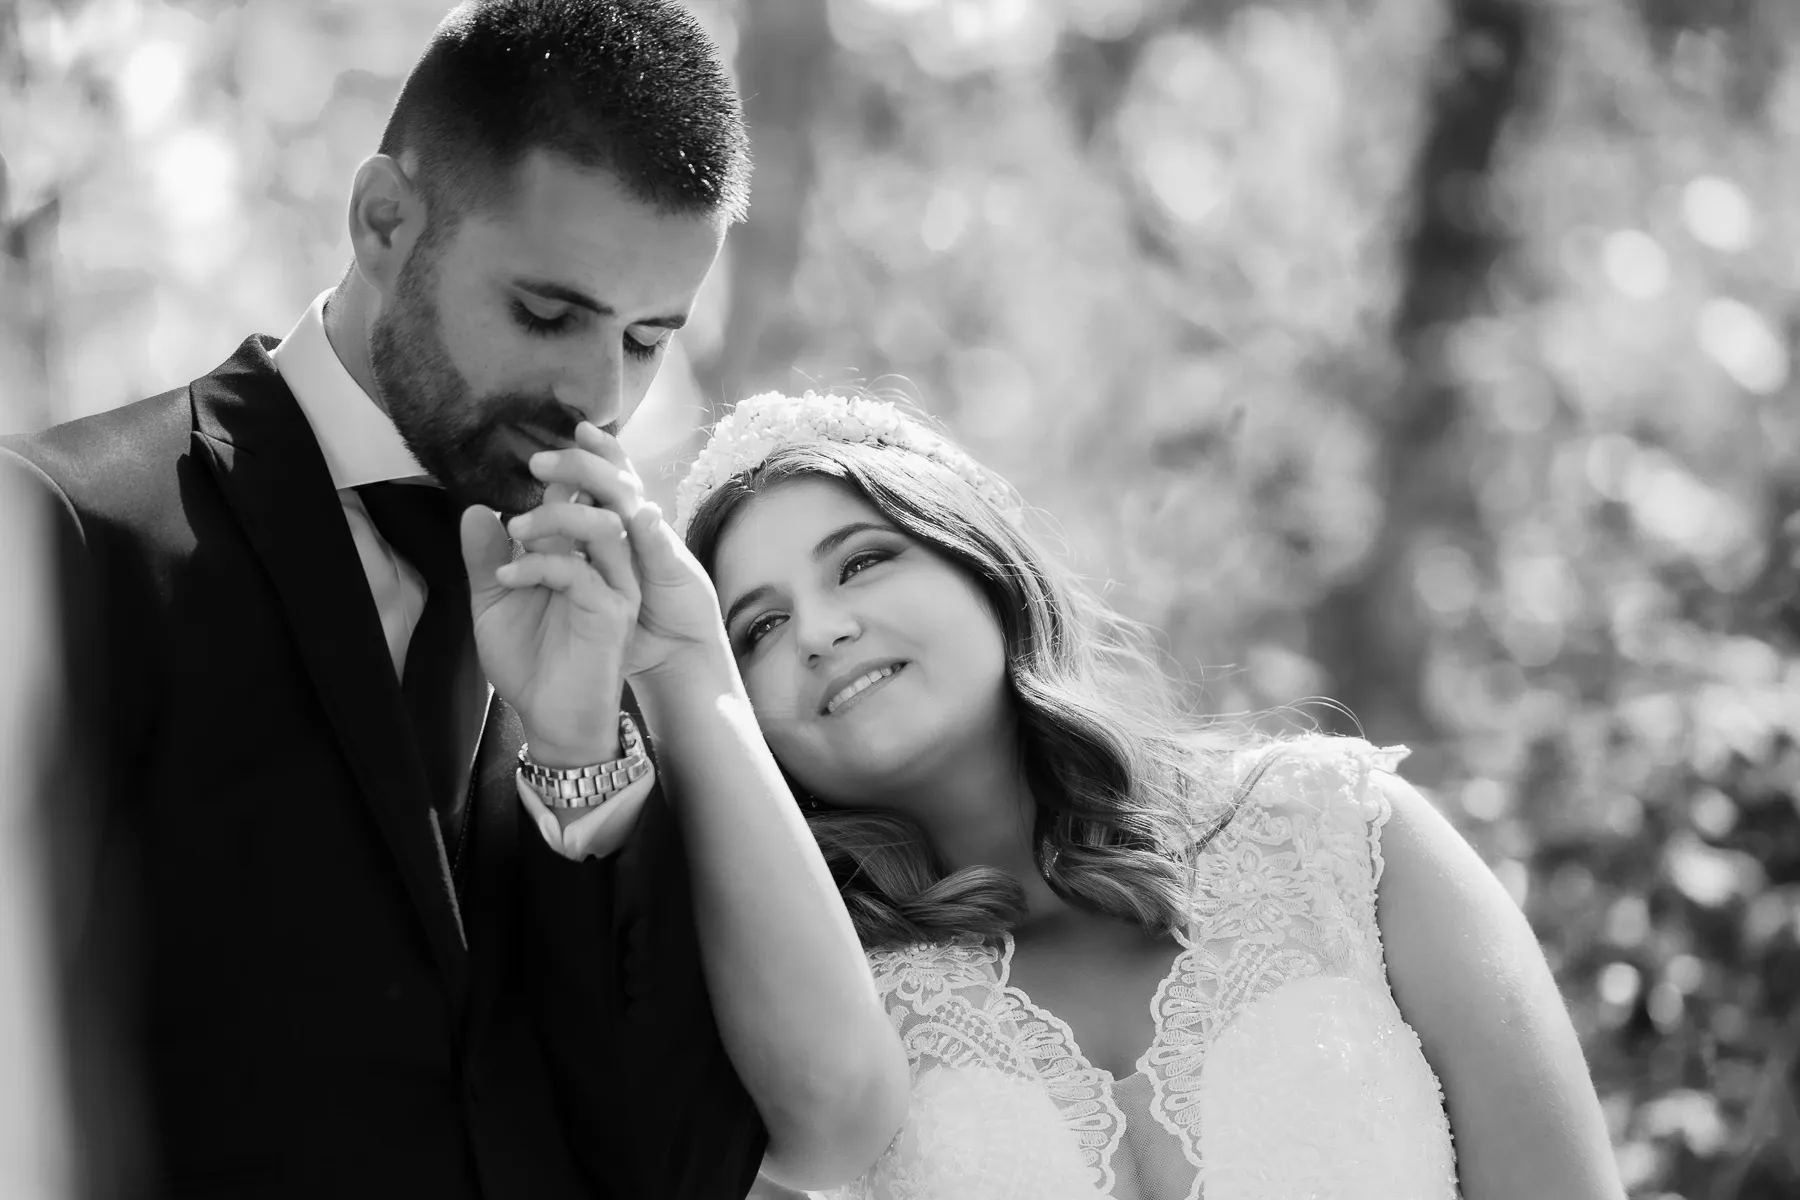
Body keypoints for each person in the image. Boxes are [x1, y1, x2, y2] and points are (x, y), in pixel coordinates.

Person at [0, 4, 907, 1196]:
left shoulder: (614, 622)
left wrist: (587, 753)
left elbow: (682, 1166)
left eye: (647, 340)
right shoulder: (61, 530)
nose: (598, 393)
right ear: (386, 220)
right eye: (548, 313)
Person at [662, 389, 1628, 1199]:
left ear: (980, 562)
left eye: (863, 561)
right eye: (756, 630)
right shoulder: (807, 1030)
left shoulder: (1342, 837)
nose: (821, 631)